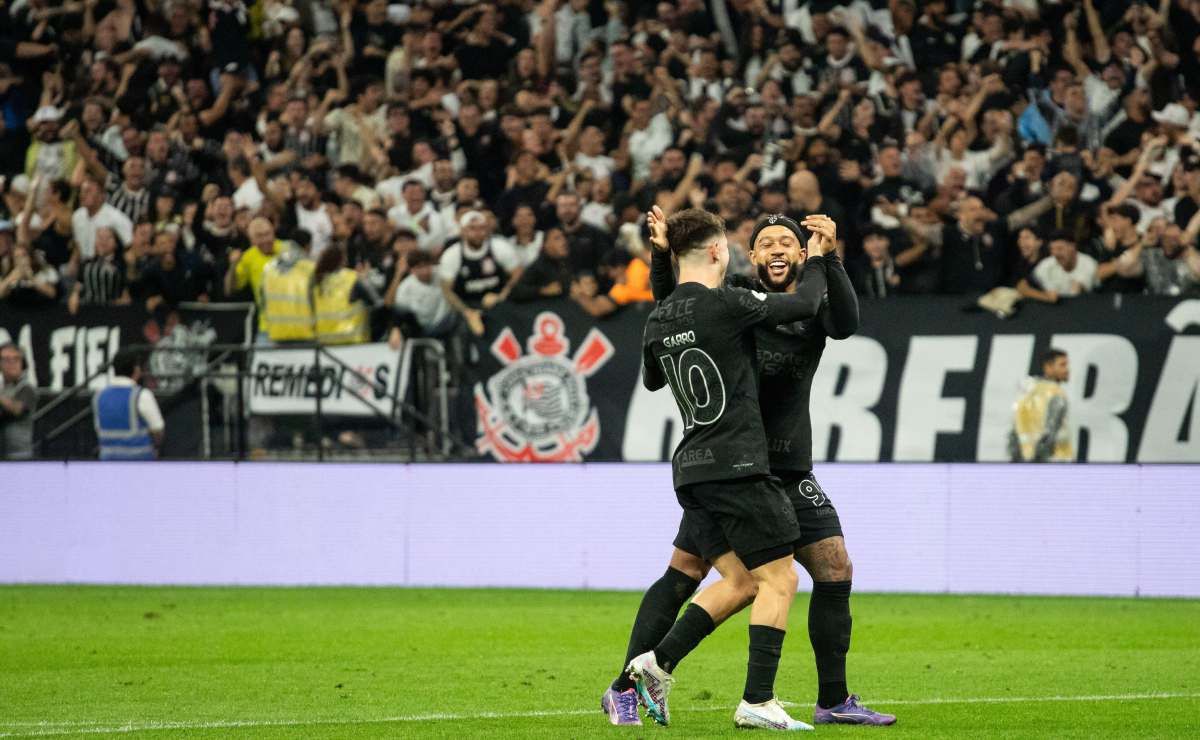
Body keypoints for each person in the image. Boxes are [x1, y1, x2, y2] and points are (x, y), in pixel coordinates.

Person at [605, 211, 894, 728]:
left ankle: (832, 700)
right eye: (766, 243)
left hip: (779, 467)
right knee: (690, 574)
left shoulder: (804, 303)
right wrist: (663, 258)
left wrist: (833, 258)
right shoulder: (736, 299)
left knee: (832, 567)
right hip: (736, 467)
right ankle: (627, 685)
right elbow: (679, 303)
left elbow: (845, 323)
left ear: (803, 256)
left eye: (789, 241)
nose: (778, 248)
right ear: (749, 257)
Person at [92, 349, 163, 461]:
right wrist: (156, 448)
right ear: (136, 370)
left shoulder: (99, 396)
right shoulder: (142, 395)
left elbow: (98, 429)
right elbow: (158, 429)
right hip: (139, 460)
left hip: (108, 460)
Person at [1009, 349, 1072, 463]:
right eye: (1062, 365)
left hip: (1024, 460)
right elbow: (1050, 433)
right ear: (1048, 367)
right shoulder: (1056, 393)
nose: (1067, 370)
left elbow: (1015, 431)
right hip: (1055, 461)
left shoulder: (1026, 391)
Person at [313, 246, 374, 345]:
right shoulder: (354, 278)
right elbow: (378, 304)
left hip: (322, 341)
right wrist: (366, 279)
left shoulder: (314, 281)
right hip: (350, 340)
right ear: (343, 260)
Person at [0, 343, 36, 460]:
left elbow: (18, 409)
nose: (12, 364)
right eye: (6, 359)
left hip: (19, 457)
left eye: (16, 359)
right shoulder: (2, 389)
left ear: (23, 364)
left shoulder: (27, 389)